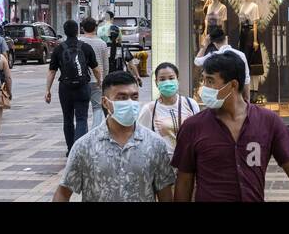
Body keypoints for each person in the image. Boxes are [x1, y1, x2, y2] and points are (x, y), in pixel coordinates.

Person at [173, 52, 289, 203]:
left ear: (232, 85)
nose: (204, 87)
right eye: (203, 80)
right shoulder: (193, 127)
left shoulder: (268, 121)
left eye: (210, 81)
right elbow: (184, 179)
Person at [53, 71, 176, 202]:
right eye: (122, 97)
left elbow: (165, 194)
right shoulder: (85, 146)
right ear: (105, 102)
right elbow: (63, 192)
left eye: (134, 97)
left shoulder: (155, 144)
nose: (130, 103)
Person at [46, 19, 101, 153]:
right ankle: (79, 150)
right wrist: (99, 82)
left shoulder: (59, 48)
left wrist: (47, 90)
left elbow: (52, 71)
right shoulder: (85, 47)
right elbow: (96, 68)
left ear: (64, 32)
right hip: (83, 87)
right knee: (82, 118)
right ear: (77, 31)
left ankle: (70, 149)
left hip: (65, 88)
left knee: (67, 118)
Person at [138, 62, 200, 154]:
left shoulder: (191, 104)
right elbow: (141, 137)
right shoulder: (149, 109)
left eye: (171, 78)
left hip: (188, 163)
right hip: (161, 164)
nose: (167, 82)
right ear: (156, 83)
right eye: (162, 79)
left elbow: (199, 133)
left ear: (177, 80)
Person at [193, 25, 250, 90]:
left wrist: (205, 44)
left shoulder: (213, 55)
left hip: (221, 91)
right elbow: (246, 79)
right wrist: (247, 98)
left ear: (213, 42)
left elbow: (197, 61)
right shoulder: (241, 54)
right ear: (226, 38)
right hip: (236, 91)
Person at [79, 17, 108, 127]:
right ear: (95, 28)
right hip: (97, 80)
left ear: (82, 28)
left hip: (82, 80)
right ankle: (94, 132)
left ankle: (83, 133)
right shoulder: (102, 43)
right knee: (97, 108)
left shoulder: (79, 42)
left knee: (82, 109)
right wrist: (103, 80)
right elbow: (106, 66)